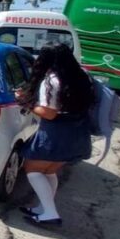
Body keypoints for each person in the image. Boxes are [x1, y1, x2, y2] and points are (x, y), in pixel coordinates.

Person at [16, 43, 94, 226]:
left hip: (56, 133)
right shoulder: (82, 75)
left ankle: (50, 213)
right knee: (50, 171)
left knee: (33, 169)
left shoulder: (52, 80)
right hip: (78, 130)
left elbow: (49, 113)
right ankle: (43, 208)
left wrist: (25, 102)